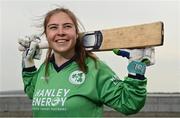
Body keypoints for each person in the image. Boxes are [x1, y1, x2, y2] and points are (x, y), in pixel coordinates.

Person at [19, 7, 154, 117]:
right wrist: (27, 61)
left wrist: (136, 67)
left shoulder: (95, 68)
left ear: (76, 33)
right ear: (46, 35)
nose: (60, 32)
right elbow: (32, 91)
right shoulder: (45, 68)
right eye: (53, 27)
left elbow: (129, 103)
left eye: (67, 26)